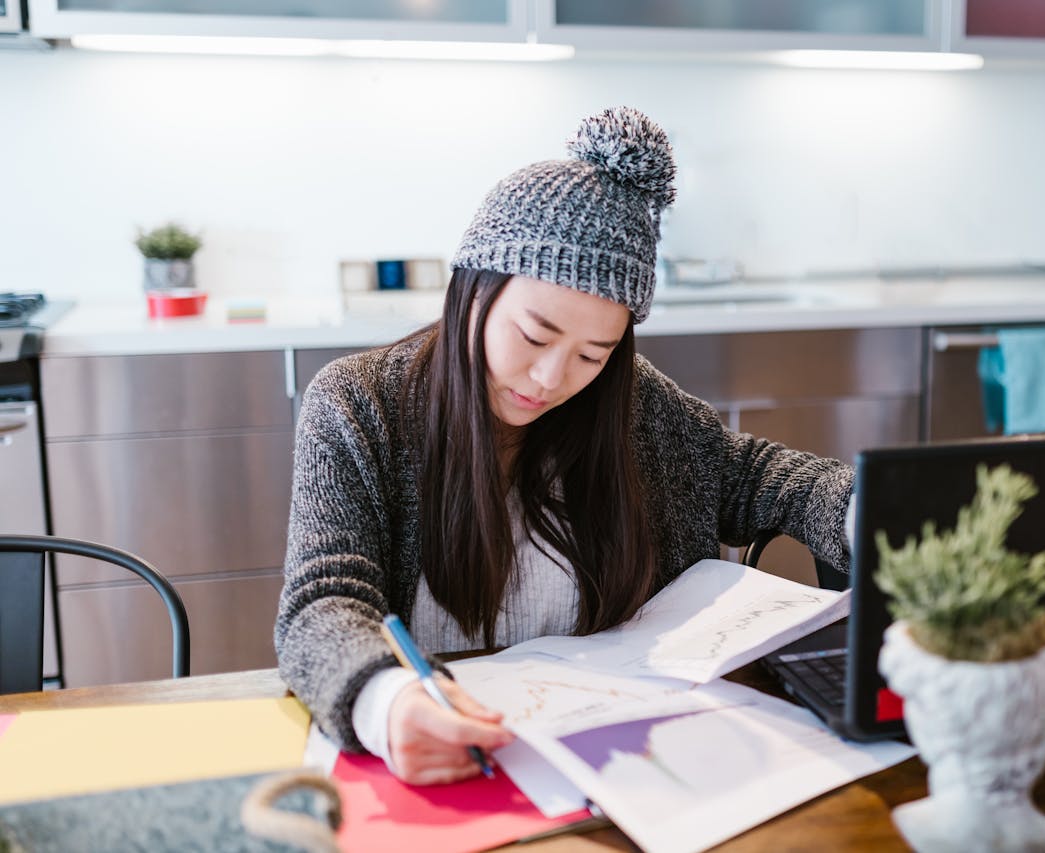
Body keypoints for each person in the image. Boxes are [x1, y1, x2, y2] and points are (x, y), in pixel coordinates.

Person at [275, 106, 855, 785]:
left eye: (593, 353)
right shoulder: (357, 405)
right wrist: (386, 700)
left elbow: (761, 476)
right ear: (474, 292)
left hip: (622, 765)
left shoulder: (630, 406)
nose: (552, 379)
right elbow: (320, 606)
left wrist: (869, 511)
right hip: (445, 765)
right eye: (534, 335)